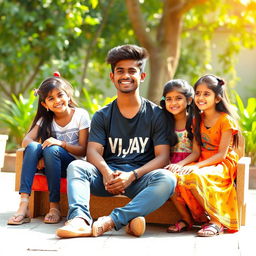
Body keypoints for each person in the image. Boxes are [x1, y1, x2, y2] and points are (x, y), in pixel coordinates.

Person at [56, 44, 176, 238]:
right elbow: (92, 151)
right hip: (107, 179)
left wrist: (132, 175)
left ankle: (113, 220)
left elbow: (162, 157)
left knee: (167, 179)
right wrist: (106, 172)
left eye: (132, 71)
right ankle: (79, 220)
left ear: (141, 76)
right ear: (112, 77)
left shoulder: (156, 115)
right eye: (120, 71)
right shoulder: (103, 115)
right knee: (77, 166)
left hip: (139, 179)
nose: (126, 76)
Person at [8, 72, 90, 225]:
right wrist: (39, 157)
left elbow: (84, 150)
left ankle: (54, 207)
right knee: (33, 147)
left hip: (72, 165)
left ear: (68, 95)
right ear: (45, 105)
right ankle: (23, 204)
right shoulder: (45, 119)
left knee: (52, 150)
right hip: (50, 164)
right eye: (51, 98)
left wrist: (62, 144)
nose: (57, 101)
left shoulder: (80, 115)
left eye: (60, 95)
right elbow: (26, 140)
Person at [170, 74, 240, 236]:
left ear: (217, 98)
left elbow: (222, 155)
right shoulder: (197, 120)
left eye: (206, 94)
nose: (200, 97)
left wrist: (196, 167)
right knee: (173, 177)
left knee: (194, 175)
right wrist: (180, 165)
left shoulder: (225, 121)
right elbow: (196, 152)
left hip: (221, 164)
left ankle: (217, 222)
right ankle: (188, 219)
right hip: (202, 161)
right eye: (198, 93)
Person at [159, 79, 204, 232]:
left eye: (178, 98)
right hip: (168, 162)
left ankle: (201, 218)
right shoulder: (164, 121)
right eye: (169, 99)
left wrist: (180, 165)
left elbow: (196, 152)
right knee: (168, 180)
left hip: (189, 161)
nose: (173, 103)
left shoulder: (194, 121)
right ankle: (186, 219)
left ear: (189, 100)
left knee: (182, 180)